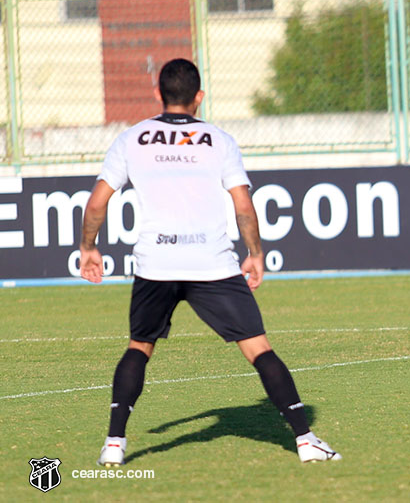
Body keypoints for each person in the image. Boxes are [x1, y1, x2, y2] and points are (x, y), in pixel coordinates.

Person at [80, 58, 341, 463]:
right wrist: (255, 253)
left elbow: (98, 201)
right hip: (212, 263)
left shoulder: (131, 138)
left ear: (158, 94)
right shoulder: (219, 140)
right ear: (199, 97)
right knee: (259, 348)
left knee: (139, 346)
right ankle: (305, 441)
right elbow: (243, 206)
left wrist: (89, 247)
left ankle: (114, 444)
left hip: (156, 263)